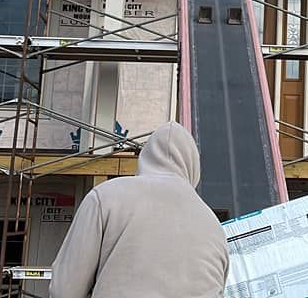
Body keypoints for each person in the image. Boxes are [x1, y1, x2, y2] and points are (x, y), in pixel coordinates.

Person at [50, 122, 229, 298]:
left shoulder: (105, 197)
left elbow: (64, 290)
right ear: (193, 166)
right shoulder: (214, 227)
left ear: (145, 157)